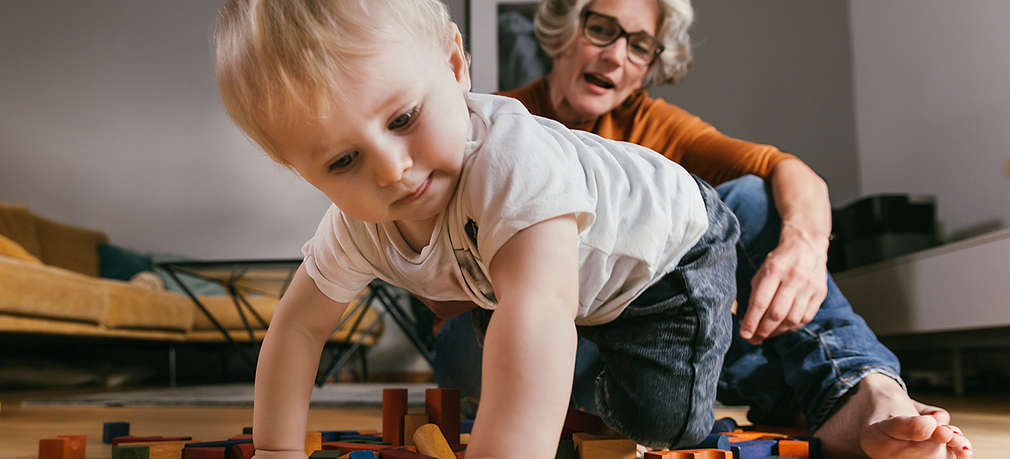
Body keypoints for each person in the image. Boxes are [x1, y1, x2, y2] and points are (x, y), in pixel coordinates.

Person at [426, 0, 974, 458]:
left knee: (751, 200)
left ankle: (861, 390)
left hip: (659, 339)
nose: (616, 55)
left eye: (640, 45)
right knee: (476, 346)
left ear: (649, 66)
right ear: (564, 31)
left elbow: (788, 172)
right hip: (529, 344)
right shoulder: (500, 122)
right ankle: (809, 395)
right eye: (601, 30)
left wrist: (804, 251)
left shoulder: (653, 123)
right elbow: (441, 286)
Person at [214, 0, 744, 456]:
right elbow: (300, 327)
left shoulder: (512, 166)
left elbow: (536, 311)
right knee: (514, 371)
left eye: (402, 120)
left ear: (454, 65)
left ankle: (742, 353)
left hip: (673, 250)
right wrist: (276, 448)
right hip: (553, 284)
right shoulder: (356, 226)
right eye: (343, 161)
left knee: (661, 423)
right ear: (299, 170)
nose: (390, 170)